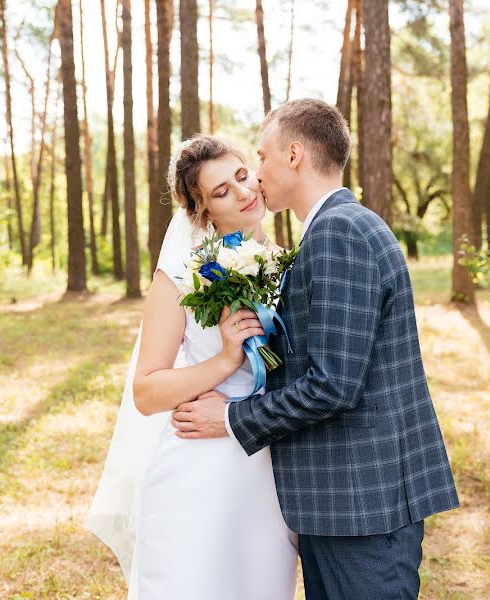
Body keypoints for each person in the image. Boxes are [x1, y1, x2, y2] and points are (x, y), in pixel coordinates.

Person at [173, 99, 460, 600]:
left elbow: (332, 385)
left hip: (364, 505)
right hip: (344, 500)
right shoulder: (333, 229)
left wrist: (233, 418)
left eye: (260, 158)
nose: (256, 176)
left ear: (294, 154)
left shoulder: (338, 232)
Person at [86, 134, 298, 600]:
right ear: (202, 213)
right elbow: (147, 392)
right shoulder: (180, 277)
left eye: (242, 176)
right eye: (222, 191)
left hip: (268, 470)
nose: (244, 192)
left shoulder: (287, 264)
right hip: (200, 465)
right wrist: (225, 360)